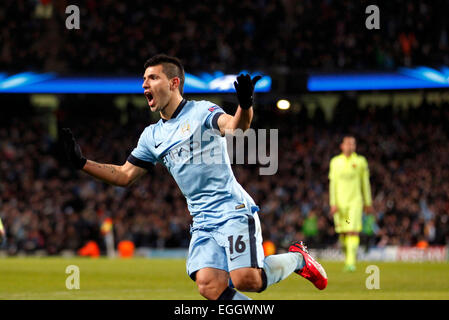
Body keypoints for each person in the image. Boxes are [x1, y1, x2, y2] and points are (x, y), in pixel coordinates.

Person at [60, 54, 327, 300]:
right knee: (209, 285)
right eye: (143, 80)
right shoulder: (152, 136)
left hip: (232, 210)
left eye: (153, 78)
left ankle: (299, 259)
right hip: (202, 220)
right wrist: (82, 163)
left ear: (174, 82)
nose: (145, 85)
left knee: (246, 279)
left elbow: (236, 127)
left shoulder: (201, 112)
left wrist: (245, 105)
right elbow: (123, 175)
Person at [328, 136, 373, 272]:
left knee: (352, 231)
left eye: (353, 144)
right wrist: (333, 203)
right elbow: (333, 184)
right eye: (348, 144)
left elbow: (365, 182)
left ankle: (350, 262)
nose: (350, 146)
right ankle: (347, 256)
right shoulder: (335, 162)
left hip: (355, 202)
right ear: (342, 146)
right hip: (340, 204)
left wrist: (368, 202)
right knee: (343, 233)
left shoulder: (360, 162)